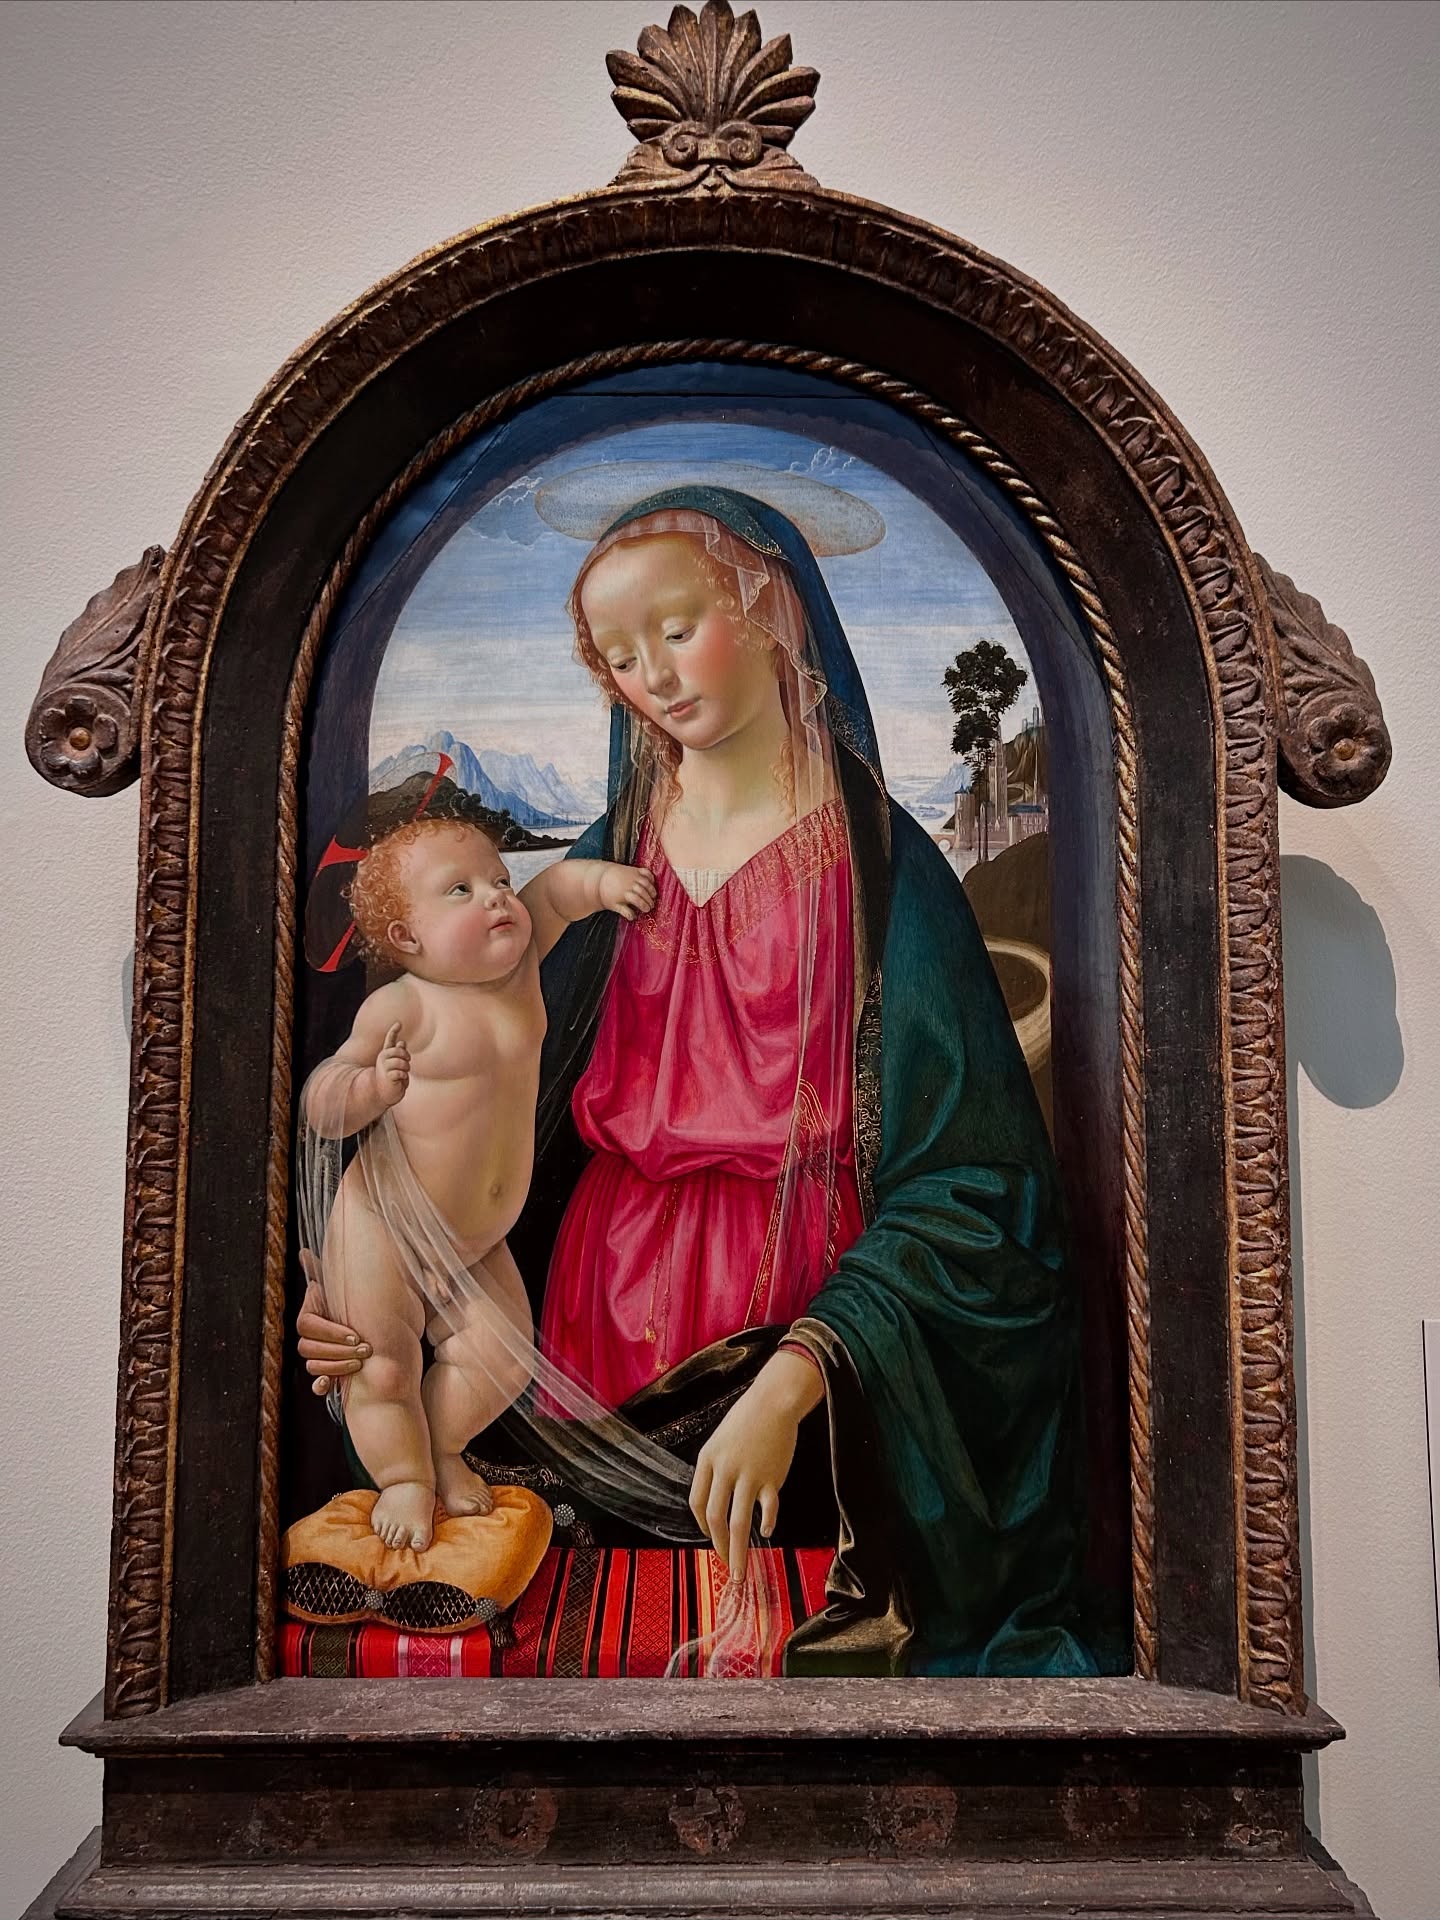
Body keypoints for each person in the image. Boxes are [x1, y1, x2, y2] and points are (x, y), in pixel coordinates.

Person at [301, 486, 1094, 1675]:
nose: (654, 677)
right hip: (598, 1290)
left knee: (768, 1620)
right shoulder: (595, 868)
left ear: (774, 612)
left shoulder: (885, 875)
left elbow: (981, 1187)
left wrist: (803, 1369)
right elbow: (451, 1098)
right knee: (601, 1632)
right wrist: (360, 1287)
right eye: (619, 657)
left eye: (678, 628)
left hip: (804, 1300)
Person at [299, 798, 656, 1553]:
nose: (496, 897)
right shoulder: (403, 1007)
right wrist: (372, 1089)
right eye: (461, 890)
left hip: (475, 1241)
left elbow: (554, 894)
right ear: (407, 937)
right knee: (382, 1367)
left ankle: (441, 1448)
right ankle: (403, 1479)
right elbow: (322, 1100)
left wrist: (602, 886)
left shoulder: (519, 969)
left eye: (497, 880)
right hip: (384, 1228)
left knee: (500, 1360)